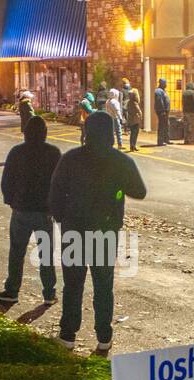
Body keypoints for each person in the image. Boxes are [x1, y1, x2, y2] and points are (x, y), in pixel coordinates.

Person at [48, 110, 147, 354]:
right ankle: (104, 337)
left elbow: (55, 194)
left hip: (75, 232)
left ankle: (68, 335)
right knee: (103, 285)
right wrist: (118, 188)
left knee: (73, 284)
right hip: (105, 231)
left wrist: (63, 219)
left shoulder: (71, 158)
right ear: (111, 132)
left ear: (86, 131)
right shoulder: (120, 161)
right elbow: (140, 191)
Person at [0, 114, 61, 306]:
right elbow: (60, 183)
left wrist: (11, 201)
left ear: (25, 133)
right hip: (44, 211)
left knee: (16, 252)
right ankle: (49, 292)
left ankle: (12, 290)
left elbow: (6, 181)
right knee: (46, 254)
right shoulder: (54, 153)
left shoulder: (16, 152)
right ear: (45, 133)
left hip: (22, 209)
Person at [124, 88, 143, 152]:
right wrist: (140, 116)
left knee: (132, 133)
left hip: (130, 119)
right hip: (135, 120)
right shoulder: (134, 103)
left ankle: (132, 146)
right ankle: (133, 145)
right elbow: (138, 111)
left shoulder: (129, 102)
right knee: (135, 133)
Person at [182, 81, 194, 145]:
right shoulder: (193, 93)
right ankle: (193, 140)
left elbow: (183, 103)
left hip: (185, 111)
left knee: (186, 126)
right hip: (192, 112)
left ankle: (186, 140)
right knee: (193, 127)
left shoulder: (184, 93)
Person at [154, 78, 170, 146]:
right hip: (162, 111)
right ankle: (160, 141)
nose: (166, 84)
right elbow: (159, 102)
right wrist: (162, 110)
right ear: (162, 83)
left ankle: (166, 139)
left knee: (166, 125)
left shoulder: (163, 91)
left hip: (165, 111)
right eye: (165, 83)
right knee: (161, 126)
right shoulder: (158, 91)